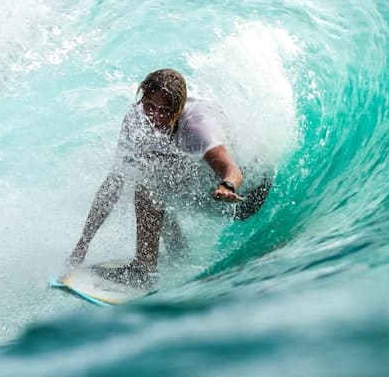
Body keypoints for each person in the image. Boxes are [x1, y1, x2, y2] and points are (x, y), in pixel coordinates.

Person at [68, 69, 272, 287]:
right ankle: (179, 254)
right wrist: (83, 243)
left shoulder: (197, 127)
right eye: (150, 106)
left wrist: (227, 186)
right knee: (147, 169)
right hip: (208, 188)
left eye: (165, 110)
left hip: (244, 196)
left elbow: (233, 170)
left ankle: (144, 271)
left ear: (179, 108)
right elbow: (113, 184)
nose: (155, 116)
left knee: (149, 184)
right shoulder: (136, 120)